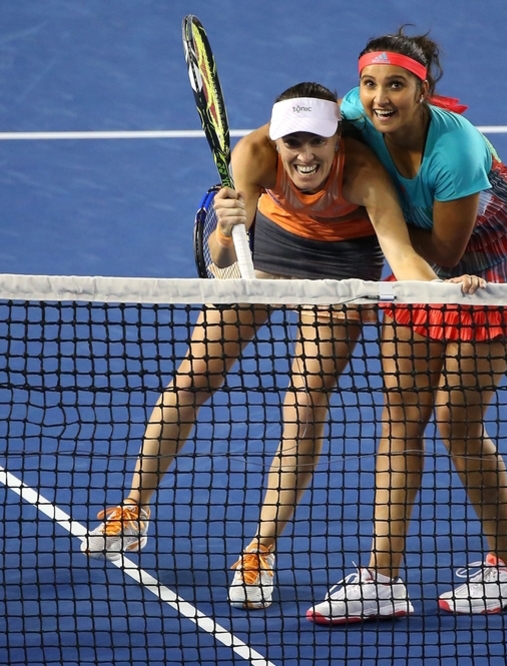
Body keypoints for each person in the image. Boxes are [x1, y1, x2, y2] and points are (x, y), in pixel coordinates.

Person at [79, 81, 484, 612]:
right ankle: (133, 509)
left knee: (306, 401)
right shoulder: (252, 154)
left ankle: (260, 550)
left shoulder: (365, 174)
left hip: (340, 267)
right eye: (293, 142)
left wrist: (440, 289)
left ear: (337, 138)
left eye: (316, 141)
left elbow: (401, 256)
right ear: (276, 140)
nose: (304, 154)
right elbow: (222, 259)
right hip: (268, 248)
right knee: (194, 377)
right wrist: (224, 230)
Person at [306, 29, 507, 624]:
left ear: (423, 91)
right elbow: (290, 150)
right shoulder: (353, 111)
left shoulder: (457, 150)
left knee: (456, 423)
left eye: (396, 85)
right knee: (400, 413)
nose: (380, 98)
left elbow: (446, 250)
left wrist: (372, 212)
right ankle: (382, 577)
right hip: (418, 255)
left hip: (493, 262)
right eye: (370, 84)